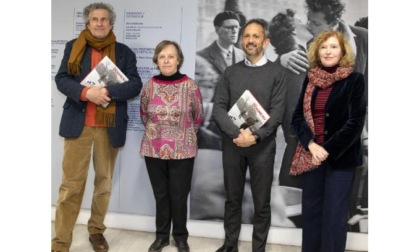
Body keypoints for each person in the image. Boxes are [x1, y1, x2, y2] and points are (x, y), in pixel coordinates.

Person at [52, 2, 142, 252]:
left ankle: (96, 230)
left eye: (104, 19)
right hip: (77, 126)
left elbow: (135, 85)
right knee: (71, 186)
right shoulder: (73, 47)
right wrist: (85, 92)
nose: (99, 23)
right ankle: (60, 241)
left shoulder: (124, 52)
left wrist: (106, 91)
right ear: (88, 23)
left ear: (111, 23)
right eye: (95, 19)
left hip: (108, 126)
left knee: (103, 183)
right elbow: (61, 79)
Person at [212, 18, 286, 252]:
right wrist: (238, 134)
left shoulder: (277, 72)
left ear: (265, 41)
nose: (250, 40)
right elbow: (218, 108)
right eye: (246, 36)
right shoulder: (230, 72)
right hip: (233, 144)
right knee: (232, 199)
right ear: (242, 40)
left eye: (255, 36)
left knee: (261, 203)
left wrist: (254, 136)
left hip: (262, 148)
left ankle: (259, 249)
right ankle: (230, 245)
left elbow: (277, 112)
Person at [290, 30, 367, 252]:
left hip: (340, 159)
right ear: (317, 51)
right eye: (323, 47)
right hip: (311, 156)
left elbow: (355, 122)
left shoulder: (355, 80)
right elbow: (297, 117)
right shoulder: (311, 78)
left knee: (334, 215)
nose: (328, 51)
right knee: (312, 213)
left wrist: (327, 149)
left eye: (333, 46)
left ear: (342, 51)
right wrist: (312, 146)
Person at [139, 40, 204, 252]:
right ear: (157, 60)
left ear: (179, 60)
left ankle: (180, 237)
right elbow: (143, 115)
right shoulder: (149, 86)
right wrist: (157, 134)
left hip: (183, 148)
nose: (166, 60)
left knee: (178, 195)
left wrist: (182, 136)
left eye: (171, 56)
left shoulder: (191, 86)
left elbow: (198, 117)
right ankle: (161, 237)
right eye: (162, 56)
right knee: (161, 194)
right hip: (153, 148)